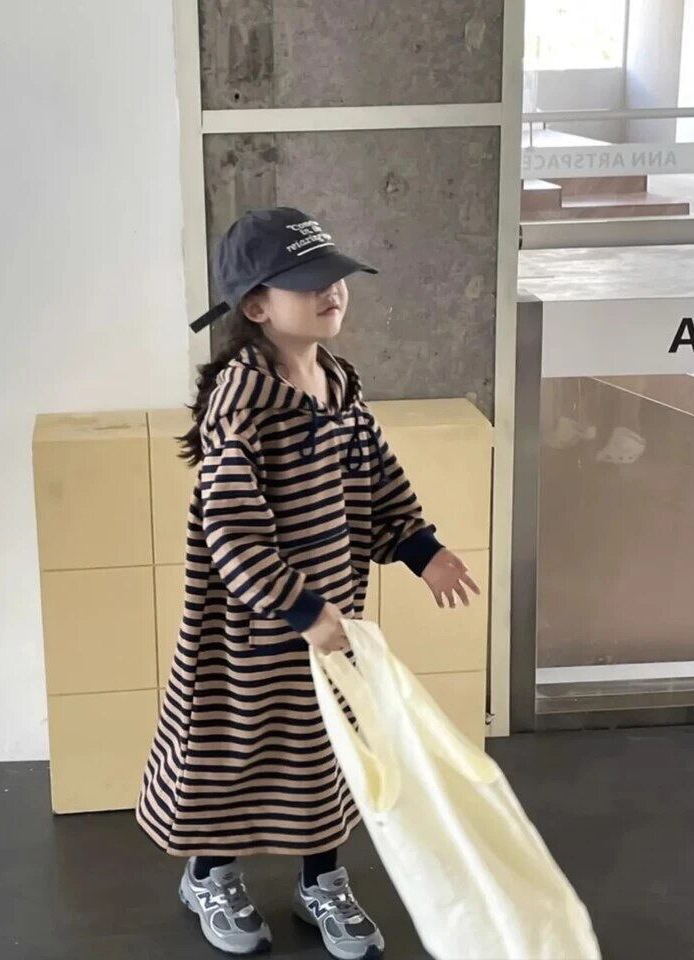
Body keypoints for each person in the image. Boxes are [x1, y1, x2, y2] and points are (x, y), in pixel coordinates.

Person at [135, 207, 479, 959]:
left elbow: (380, 483)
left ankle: (321, 879)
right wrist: (299, 608)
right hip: (249, 633)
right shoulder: (242, 403)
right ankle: (209, 872)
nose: (334, 291)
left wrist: (422, 551)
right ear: (258, 306)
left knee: (327, 749)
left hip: (331, 622)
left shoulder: (339, 385)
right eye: (310, 282)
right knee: (236, 746)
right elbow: (231, 530)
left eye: (337, 277)